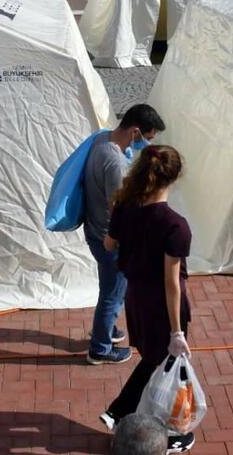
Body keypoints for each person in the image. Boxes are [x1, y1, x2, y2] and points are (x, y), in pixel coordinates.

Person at [100, 145, 195, 453]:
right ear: (175, 177)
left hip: (135, 299)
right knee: (166, 364)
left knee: (154, 360)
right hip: (161, 307)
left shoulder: (125, 207)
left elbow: (109, 242)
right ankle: (152, 423)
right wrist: (176, 331)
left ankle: (121, 411)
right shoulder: (175, 225)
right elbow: (171, 283)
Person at [83, 104, 166, 365]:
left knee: (111, 287)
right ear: (135, 132)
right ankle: (100, 348)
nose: (146, 144)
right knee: (112, 292)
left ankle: (107, 329)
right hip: (110, 239)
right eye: (147, 138)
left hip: (95, 229)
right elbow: (119, 210)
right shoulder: (116, 162)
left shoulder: (101, 139)